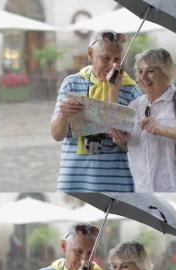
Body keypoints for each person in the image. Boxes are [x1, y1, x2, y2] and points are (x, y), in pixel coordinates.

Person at [112, 48, 176, 192]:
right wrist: (122, 142)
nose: (144, 77)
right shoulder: (135, 106)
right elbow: (138, 147)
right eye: (140, 71)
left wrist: (164, 130)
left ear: (166, 72)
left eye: (151, 71)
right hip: (143, 191)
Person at [50, 29, 142, 192]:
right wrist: (64, 116)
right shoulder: (71, 84)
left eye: (117, 59)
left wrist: (113, 90)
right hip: (73, 181)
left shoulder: (132, 91)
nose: (112, 65)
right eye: (105, 58)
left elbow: (140, 146)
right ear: (90, 54)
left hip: (116, 183)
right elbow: (57, 135)